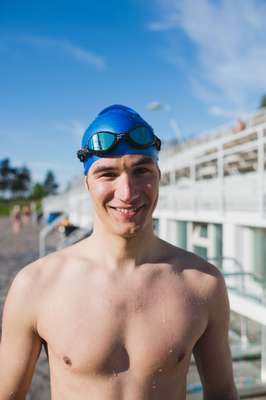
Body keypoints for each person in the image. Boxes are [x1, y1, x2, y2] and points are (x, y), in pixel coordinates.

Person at [0, 105, 239, 399]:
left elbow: (223, 393)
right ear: (87, 182)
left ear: (159, 176)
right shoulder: (36, 285)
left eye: (142, 171)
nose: (127, 192)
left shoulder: (202, 284)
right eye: (107, 174)